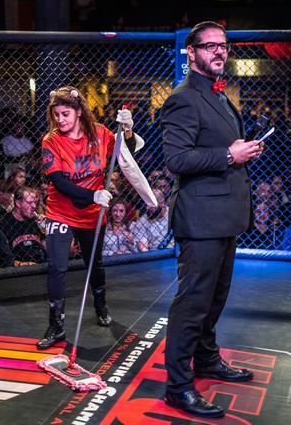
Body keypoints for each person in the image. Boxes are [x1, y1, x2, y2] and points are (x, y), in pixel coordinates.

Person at [160, 21, 264, 418]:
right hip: (200, 219)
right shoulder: (183, 98)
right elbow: (177, 159)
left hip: (223, 217)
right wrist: (228, 155)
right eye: (210, 46)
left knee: (214, 299)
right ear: (191, 52)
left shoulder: (217, 93)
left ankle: (205, 359)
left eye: (223, 46)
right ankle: (178, 387)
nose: (219, 52)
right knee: (193, 304)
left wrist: (240, 150)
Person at [36, 86, 136, 349]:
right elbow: (58, 182)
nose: (60, 120)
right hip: (61, 211)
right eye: (56, 114)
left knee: (95, 263)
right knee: (56, 267)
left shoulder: (100, 133)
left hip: (92, 213)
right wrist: (93, 195)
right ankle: (56, 325)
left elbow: (127, 155)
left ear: (79, 112)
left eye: (65, 114)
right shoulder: (51, 140)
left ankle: (101, 307)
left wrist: (128, 130)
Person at [0, 186, 46, 265]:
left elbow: (47, 248)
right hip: (18, 270)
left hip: (41, 265)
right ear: (18, 203)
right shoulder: (4, 223)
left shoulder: (36, 221)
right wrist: (22, 264)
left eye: (35, 202)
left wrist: (46, 229)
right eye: (30, 203)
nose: (34, 206)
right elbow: (3, 258)